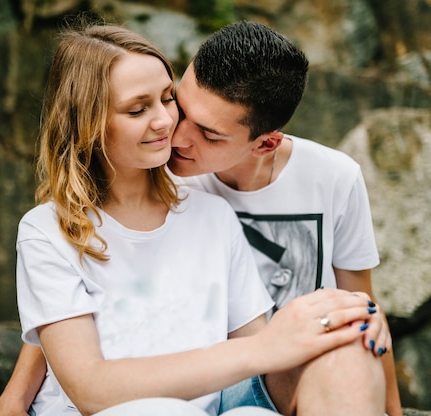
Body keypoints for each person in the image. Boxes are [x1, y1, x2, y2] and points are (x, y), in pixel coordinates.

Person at [2, 23, 386, 416]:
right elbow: (87, 383)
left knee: (348, 344)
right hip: (111, 408)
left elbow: (264, 349)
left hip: (219, 399)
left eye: (168, 100)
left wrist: (349, 321)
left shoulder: (211, 209)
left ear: (264, 142)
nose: (171, 125)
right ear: (87, 122)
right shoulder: (47, 229)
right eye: (139, 108)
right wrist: (15, 395)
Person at [166, 21, 401, 415]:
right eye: (179, 107)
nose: (177, 138)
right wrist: (20, 397)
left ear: (265, 143)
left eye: (209, 134)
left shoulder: (334, 177)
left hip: (283, 380)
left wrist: (393, 409)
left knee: (347, 331)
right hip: (180, 379)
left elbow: (362, 304)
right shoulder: (151, 166)